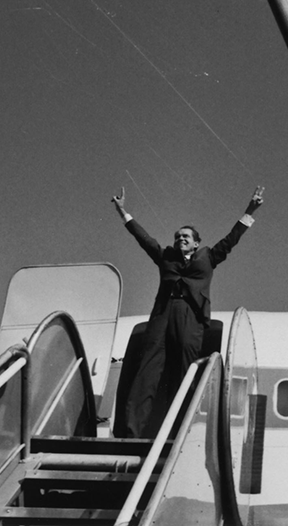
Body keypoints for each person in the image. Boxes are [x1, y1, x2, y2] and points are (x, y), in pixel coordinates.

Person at [111, 185, 264, 438]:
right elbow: (144, 239)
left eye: (186, 237)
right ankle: (132, 431)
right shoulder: (166, 257)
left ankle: (181, 431)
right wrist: (123, 212)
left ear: (196, 243)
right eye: (177, 236)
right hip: (163, 314)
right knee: (148, 370)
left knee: (186, 371)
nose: (180, 239)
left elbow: (231, 239)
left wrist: (250, 210)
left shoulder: (209, 257)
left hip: (191, 316)